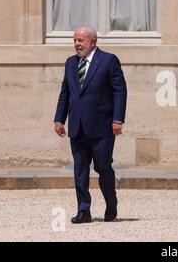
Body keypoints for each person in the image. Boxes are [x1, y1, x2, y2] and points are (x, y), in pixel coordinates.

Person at [54, 25, 127, 224]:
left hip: (101, 126)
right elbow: (65, 93)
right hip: (77, 126)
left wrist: (118, 119)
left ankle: (111, 203)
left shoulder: (108, 60)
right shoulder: (71, 63)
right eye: (75, 40)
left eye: (81, 40)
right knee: (80, 170)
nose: (77, 44)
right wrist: (59, 119)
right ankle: (83, 210)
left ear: (93, 42)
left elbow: (119, 91)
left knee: (103, 168)